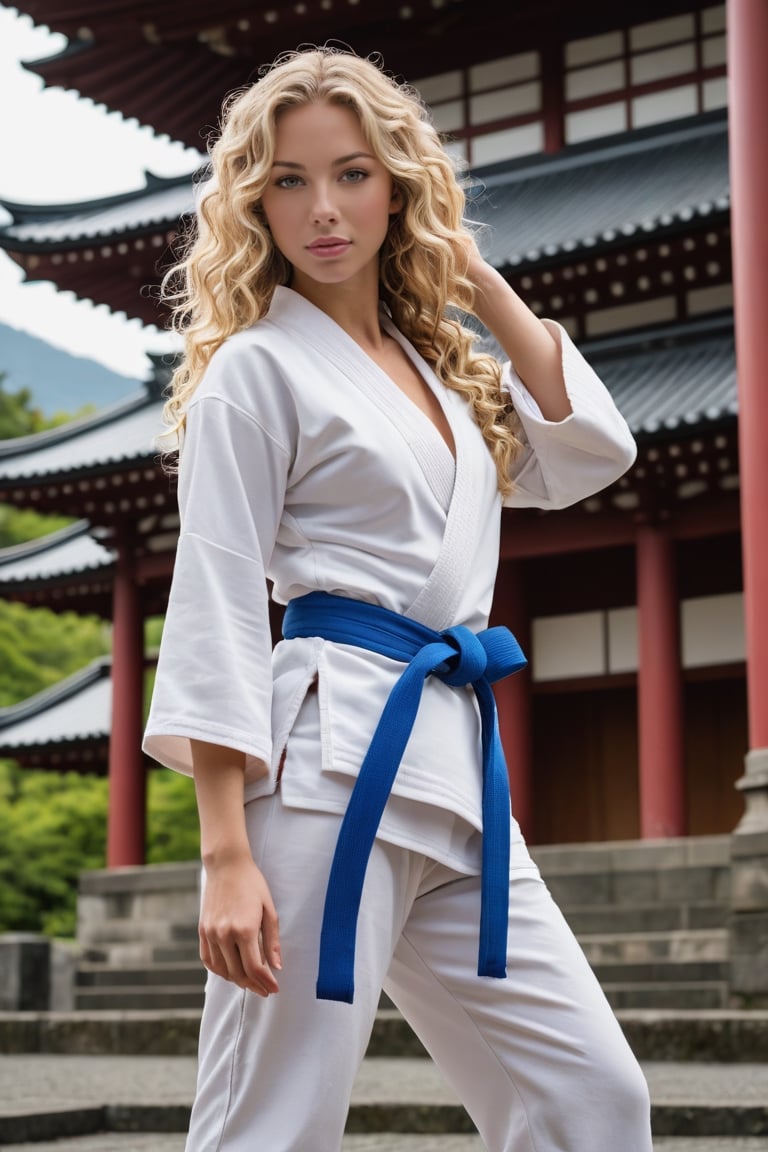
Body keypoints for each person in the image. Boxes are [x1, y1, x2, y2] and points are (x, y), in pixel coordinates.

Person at [143, 43, 653, 1152]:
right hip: (325, 770)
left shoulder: (437, 372)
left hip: (459, 777)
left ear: (399, 186)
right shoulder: (256, 370)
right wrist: (226, 856)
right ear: (254, 203)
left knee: (595, 1101)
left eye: (353, 173)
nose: (323, 208)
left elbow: (590, 454)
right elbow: (218, 597)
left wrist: (469, 275)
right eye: (288, 180)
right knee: (272, 1124)